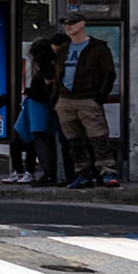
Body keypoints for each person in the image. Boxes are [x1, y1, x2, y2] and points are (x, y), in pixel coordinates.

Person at [56, 12, 119, 187]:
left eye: (73, 23)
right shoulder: (63, 49)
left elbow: (109, 73)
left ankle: (107, 171)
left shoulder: (97, 48)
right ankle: (82, 173)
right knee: (74, 141)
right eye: (66, 23)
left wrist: (99, 97)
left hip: (88, 98)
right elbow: (58, 73)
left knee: (98, 138)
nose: (69, 26)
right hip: (66, 98)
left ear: (82, 24)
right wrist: (57, 96)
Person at [5, 39, 60, 184]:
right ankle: (33, 172)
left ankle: (43, 173)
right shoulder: (51, 66)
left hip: (38, 108)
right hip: (38, 108)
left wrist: (28, 91)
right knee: (34, 140)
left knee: (38, 140)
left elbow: (41, 93)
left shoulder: (45, 69)